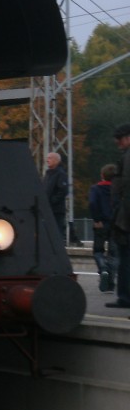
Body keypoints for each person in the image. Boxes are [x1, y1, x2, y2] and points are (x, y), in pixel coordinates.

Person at [108, 124, 130, 310]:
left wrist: (118, 215)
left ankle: (125, 297)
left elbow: (123, 187)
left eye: (120, 140)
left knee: (125, 259)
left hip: (126, 219)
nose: (118, 144)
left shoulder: (127, 157)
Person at [90, 163, 116, 292]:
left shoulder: (96, 189)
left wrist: (97, 219)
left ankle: (103, 269)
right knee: (113, 253)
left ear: (102, 175)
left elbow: (93, 203)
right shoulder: (118, 189)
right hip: (116, 224)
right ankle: (110, 281)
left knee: (98, 251)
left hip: (101, 224)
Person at [42, 151, 68, 241]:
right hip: (47, 209)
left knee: (57, 232)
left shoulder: (60, 174)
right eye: (47, 158)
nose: (47, 160)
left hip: (56, 210)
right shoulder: (48, 174)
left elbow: (63, 190)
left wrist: (52, 201)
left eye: (50, 158)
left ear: (56, 160)